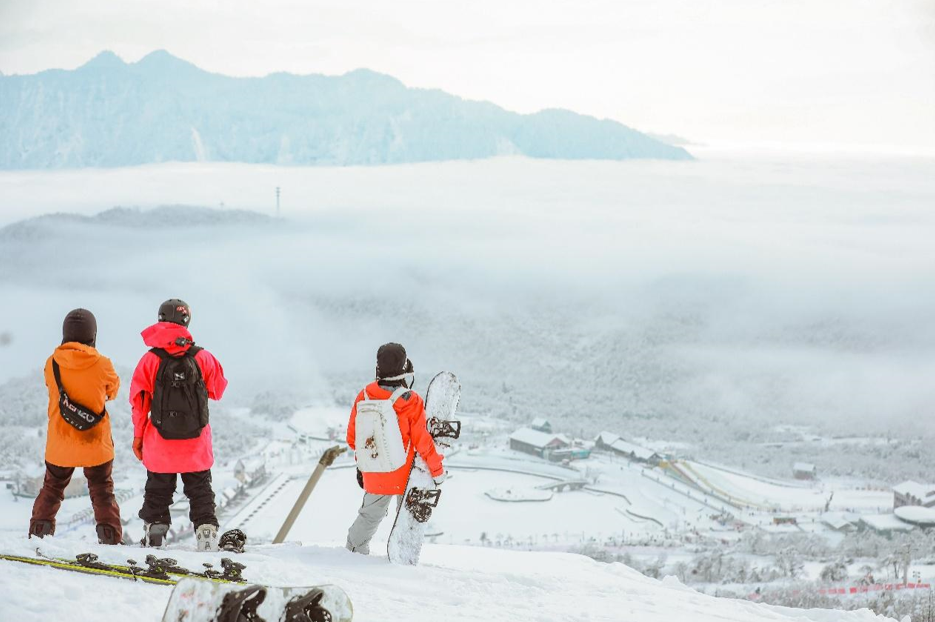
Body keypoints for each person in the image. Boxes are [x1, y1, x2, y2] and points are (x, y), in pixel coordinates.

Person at [129, 299, 228, 550]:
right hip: (196, 442)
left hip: (159, 442)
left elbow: (139, 403)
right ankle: (206, 530)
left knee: (158, 490)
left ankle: (155, 529)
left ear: (161, 319)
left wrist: (139, 437)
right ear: (187, 321)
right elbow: (218, 390)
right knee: (200, 489)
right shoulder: (203, 357)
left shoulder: (149, 360)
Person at [30, 308, 123, 544]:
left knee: (52, 489)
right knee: (102, 490)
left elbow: (50, 388)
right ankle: (110, 538)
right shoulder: (103, 364)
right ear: (93, 335)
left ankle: (39, 535)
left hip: (60, 443)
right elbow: (112, 392)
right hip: (95, 441)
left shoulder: (52, 363)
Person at [345, 343, 446, 555]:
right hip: (403, 474)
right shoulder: (411, 401)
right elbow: (422, 441)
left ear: (378, 367)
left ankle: (353, 553)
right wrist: (437, 471)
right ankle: (401, 557)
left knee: (369, 516)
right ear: (405, 367)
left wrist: (367, 464)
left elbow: (353, 439)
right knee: (406, 518)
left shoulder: (363, 396)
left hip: (373, 471)